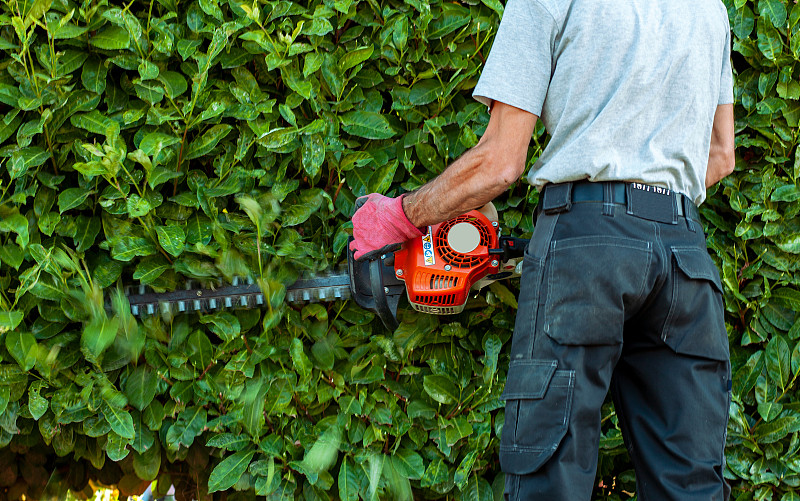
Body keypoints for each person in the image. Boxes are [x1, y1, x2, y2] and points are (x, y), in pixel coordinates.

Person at [349, 0, 735, 499]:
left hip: (584, 247)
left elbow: (501, 163)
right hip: (686, 255)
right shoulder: (709, 10)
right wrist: (641, 211)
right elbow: (721, 155)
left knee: (549, 477)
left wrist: (402, 215)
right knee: (691, 484)